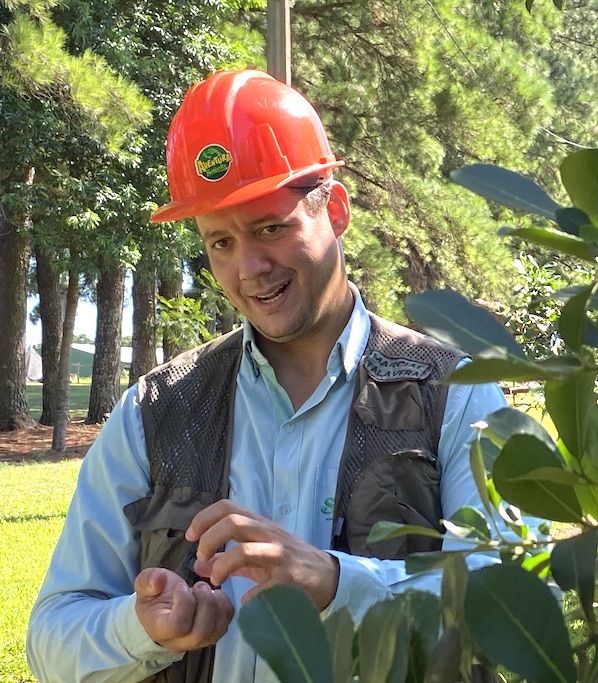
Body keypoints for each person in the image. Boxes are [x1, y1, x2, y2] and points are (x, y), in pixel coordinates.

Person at [26, 69, 507, 683]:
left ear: (333, 210)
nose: (248, 267)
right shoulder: (154, 409)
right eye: (219, 242)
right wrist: (140, 629)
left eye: (270, 228)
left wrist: (337, 583)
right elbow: (51, 640)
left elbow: (512, 607)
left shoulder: (454, 393)